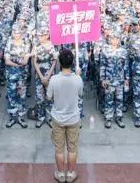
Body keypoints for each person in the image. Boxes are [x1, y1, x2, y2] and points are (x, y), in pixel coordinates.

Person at [47, 48, 83, 183]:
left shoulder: (54, 79)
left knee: (59, 148)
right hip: (73, 118)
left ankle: (61, 174)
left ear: (59, 63)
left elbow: (49, 97)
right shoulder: (78, 79)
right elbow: (80, 94)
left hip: (58, 119)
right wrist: (78, 76)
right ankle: (72, 173)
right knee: (72, 148)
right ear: (73, 63)